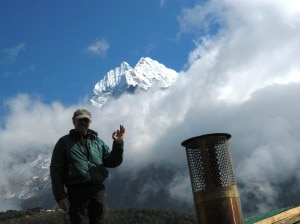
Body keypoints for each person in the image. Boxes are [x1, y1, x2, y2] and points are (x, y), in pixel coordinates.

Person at [50, 109, 125, 224]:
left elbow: (113, 162)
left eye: (86, 120)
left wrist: (118, 143)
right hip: (76, 193)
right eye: (80, 119)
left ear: (90, 122)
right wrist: (60, 196)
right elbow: (56, 171)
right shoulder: (64, 142)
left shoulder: (98, 142)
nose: (83, 122)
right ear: (73, 121)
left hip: (98, 191)